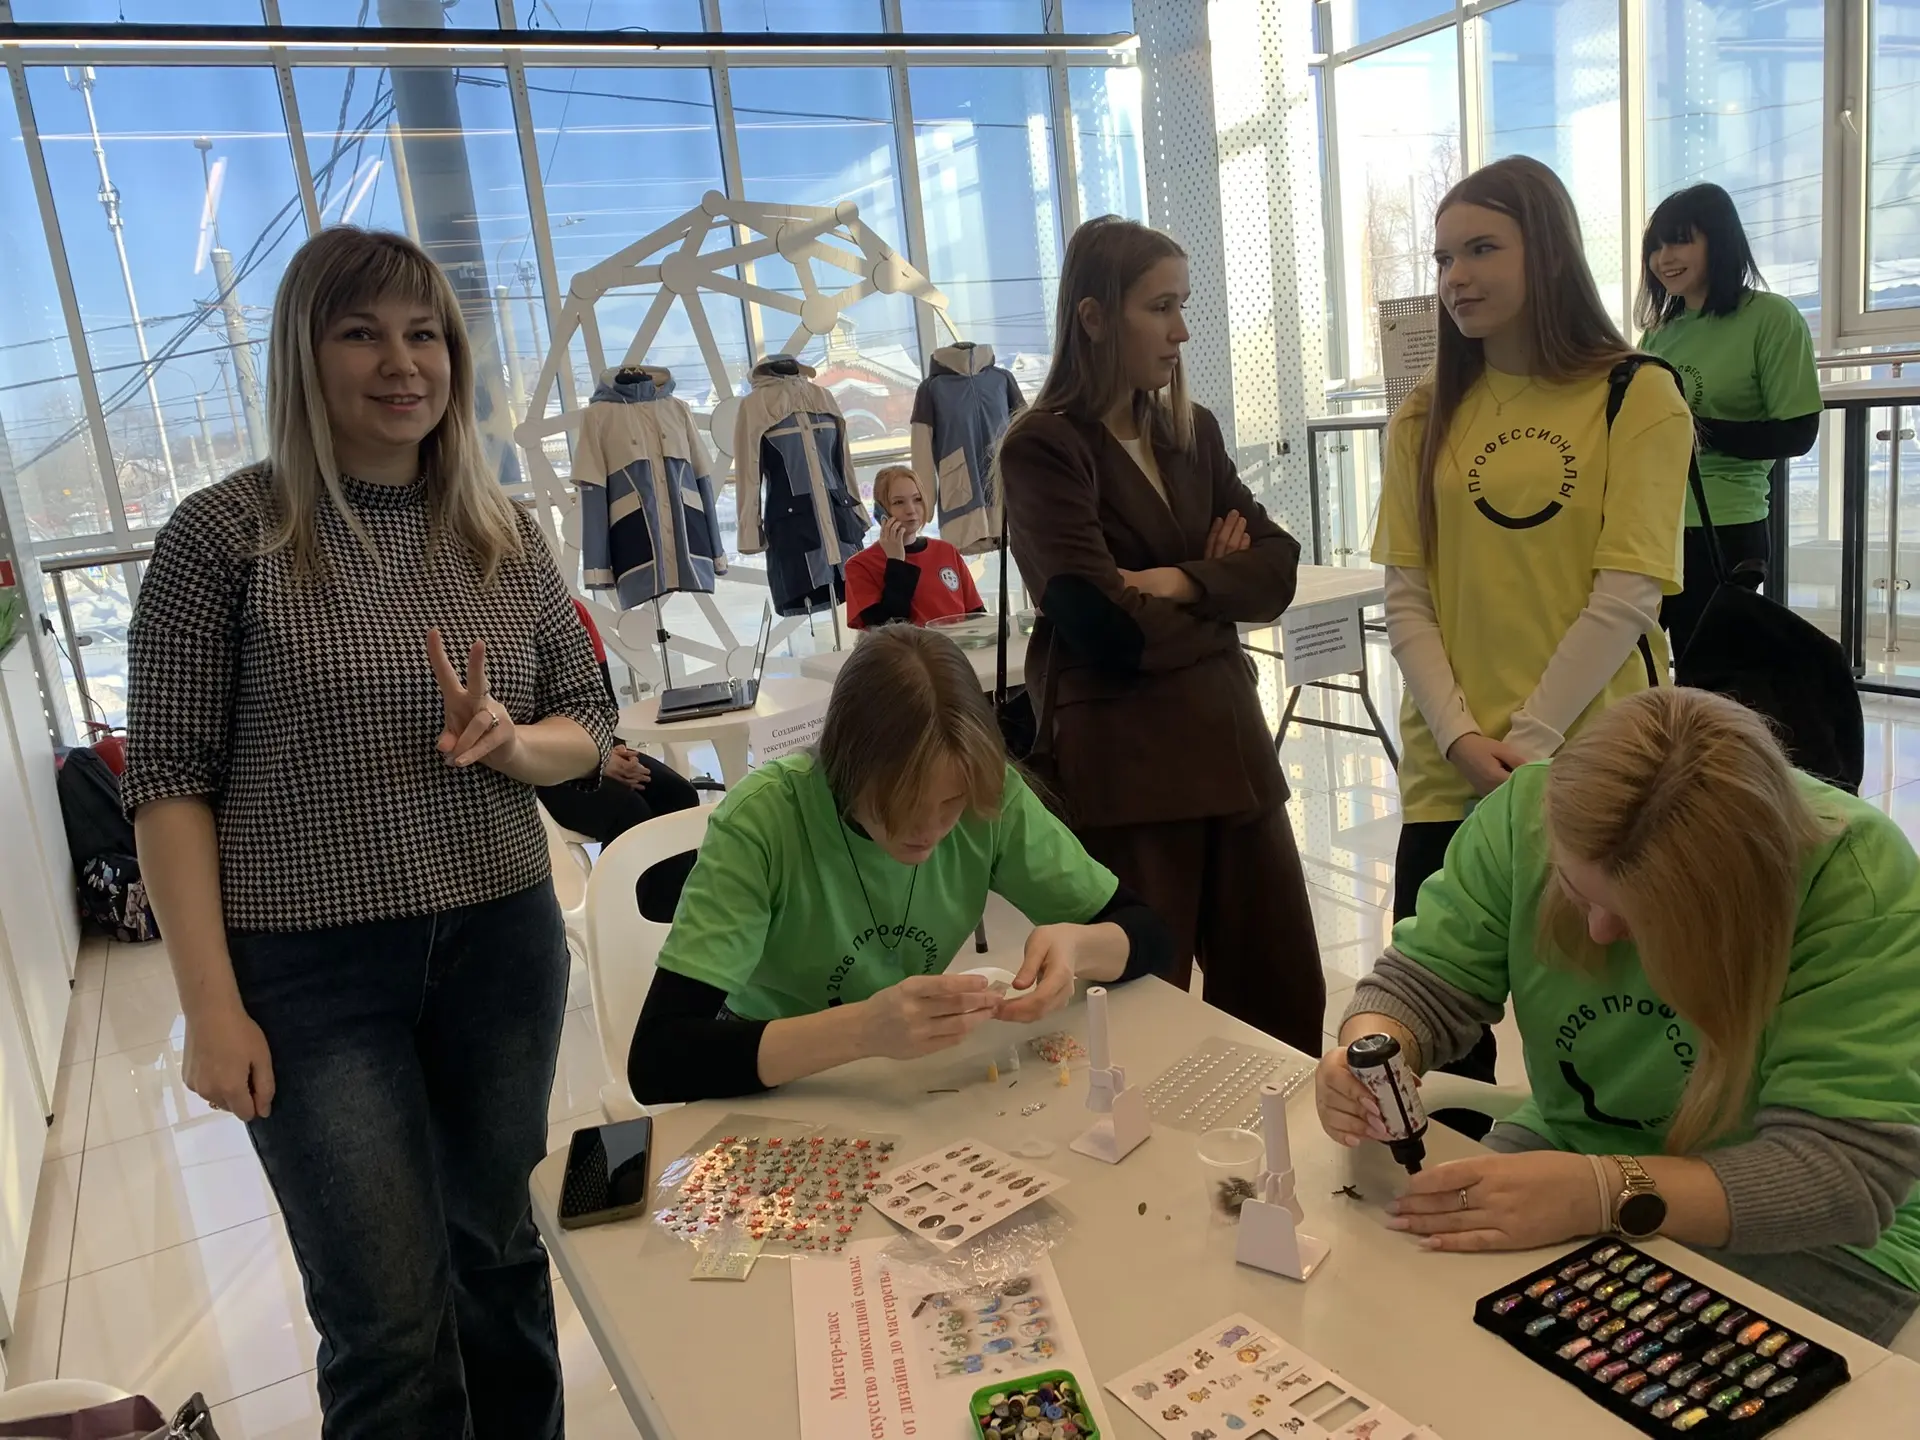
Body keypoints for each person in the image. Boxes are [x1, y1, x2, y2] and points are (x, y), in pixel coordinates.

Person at [122, 227, 616, 1439]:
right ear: (305, 354)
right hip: (311, 979)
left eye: (424, 334)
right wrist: (210, 1007)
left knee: (500, 1262)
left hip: (500, 946)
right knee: (388, 1324)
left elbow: (588, 723)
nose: (403, 363)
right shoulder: (223, 537)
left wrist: (511, 743)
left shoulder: (502, 529)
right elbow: (169, 785)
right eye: (362, 333)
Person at [1314, 686, 1920, 1344]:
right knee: (1407, 1305)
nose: (1600, 933)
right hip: (1572, 1150)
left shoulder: (1856, 881)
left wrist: (1603, 1192)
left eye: (1643, 920)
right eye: (1578, 893)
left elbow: (1840, 1173)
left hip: (1807, 1222)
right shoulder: (1525, 814)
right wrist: (1371, 1047)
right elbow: (1425, 983)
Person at [1370, 157, 1693, 1086]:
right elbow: (1406, 595)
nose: (1455, 277)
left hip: (1602, 764)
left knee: (1615, 1030)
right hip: (1449, 770)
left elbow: (1628, 591)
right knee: (1435, 1044)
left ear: (1546, 253)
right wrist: (1462, 738)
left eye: (1481, 249)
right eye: (1443, 258)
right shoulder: (1424, 413)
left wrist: (1532, 742)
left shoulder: (1637, 392)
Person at [995, 215, 1324, 1056]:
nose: (1181, 331)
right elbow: (1104, 626)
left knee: (1284, 998)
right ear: (1094, 317)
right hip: (1129, 775)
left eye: (1183, 306)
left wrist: (1176, 581)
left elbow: (1278, 569)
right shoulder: (1044, 449)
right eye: (1160, 307)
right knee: (1141, 1015)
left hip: (1232, 755)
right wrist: (1218, 597)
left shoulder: (1190, 431)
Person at [627, 624, 1172, 1104]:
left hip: (905, 1079)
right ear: (844, 768)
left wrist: (1080, 947)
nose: (930, 830)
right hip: (769, 1070)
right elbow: (658, 1060)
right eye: (901, 804)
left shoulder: (988, 792)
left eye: (952, 802)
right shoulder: (763, 820)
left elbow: (1149, 933)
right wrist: (864, 1030)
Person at [1638, 182, 1823, 660]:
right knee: (1639, 669)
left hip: (1725, 525)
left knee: (1710, 675)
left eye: (1679, 241)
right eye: (1656, 246)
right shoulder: (1660, 334)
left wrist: (1692, 429)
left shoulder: (1771, 318)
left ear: (1719, 242)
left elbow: (1797, 432)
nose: (1663, 258)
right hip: (1652, 522)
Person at [536, 598, 702, 920]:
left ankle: (671, 921)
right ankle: (625, 926)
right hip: (543, 768)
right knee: (630, 811)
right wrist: (597, 760)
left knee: (679, 794)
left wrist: (617, 752)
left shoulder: (575, 612)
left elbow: (603, 700)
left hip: (594, 743)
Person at [845, 464, 986, 629]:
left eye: (917, 499)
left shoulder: (946, 551)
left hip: (956, 643)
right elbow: (885, 630)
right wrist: (896, 563)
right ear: (881, 511)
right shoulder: (859, 566)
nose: (911, 510)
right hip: (906, 646)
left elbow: (976, 614)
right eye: (898, 502)